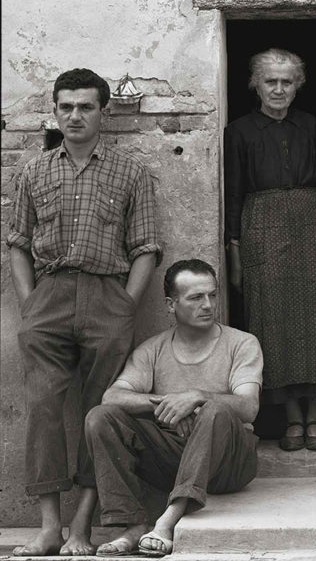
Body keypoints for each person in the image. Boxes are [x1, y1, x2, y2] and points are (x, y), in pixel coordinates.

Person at [7, 68, 161, 556]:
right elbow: (17, 244)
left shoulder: (130, 172)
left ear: (104, 113)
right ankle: (50, 527)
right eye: (66, 107)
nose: (75, 115)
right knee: (44, 409)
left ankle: (82, 527)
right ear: (54, 111)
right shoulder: (34, 171)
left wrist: (124, 306)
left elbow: (146, 248)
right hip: (48, 298)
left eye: (86, 107)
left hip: (106, 298)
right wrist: (30, 305)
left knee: (102, 414)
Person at [85, 259, 262, 557]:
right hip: (174, 457)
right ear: (171, 304)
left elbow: (248, 407)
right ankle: (131, 525)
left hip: (230, 463)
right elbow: (112, 397)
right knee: (100, 418)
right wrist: (169, 404)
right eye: (196, 297)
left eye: (213, 295)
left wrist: (196, 397)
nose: (208, 305)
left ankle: (168, 519)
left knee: (215, 409)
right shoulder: (153, 349)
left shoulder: (242, 343)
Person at [224, 48, 316, 451]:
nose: (278, 89)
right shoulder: (238, 132)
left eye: (287, 81)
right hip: (260, 229)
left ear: (298, 86)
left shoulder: (314, 128)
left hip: (313, 229)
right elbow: (232, 197)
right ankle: (292, 418)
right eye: (270, 81)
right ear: (255, 84)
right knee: (272, 322)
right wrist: (235, 255)